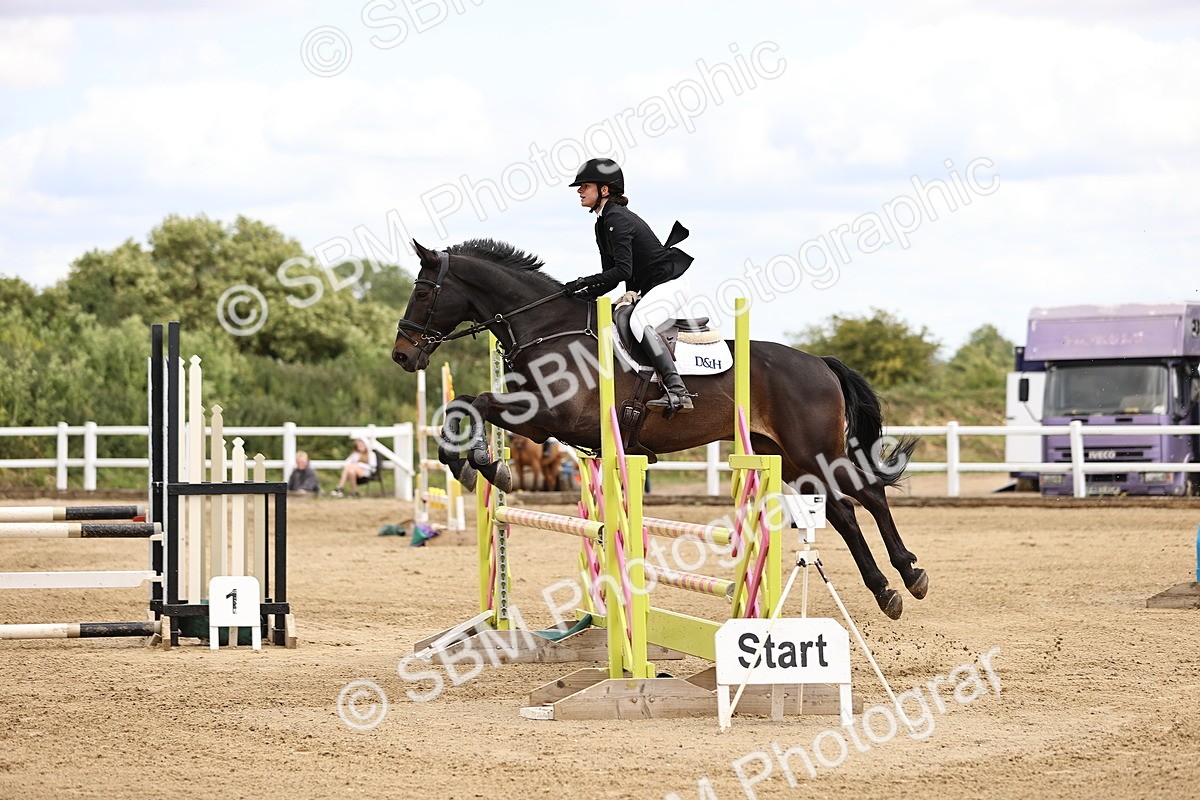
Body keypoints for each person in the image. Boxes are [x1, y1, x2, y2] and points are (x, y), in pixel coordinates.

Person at [562, 158, 695, 415]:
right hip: (652, 285)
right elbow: (609, 277)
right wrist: (579, 297)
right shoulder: (602, 223)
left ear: (604, 190)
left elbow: (623, 271)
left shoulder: (617, 219)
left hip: (671, 282)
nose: (579, 191)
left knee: (638, 322)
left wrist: (580, 283)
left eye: (585, 185)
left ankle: (678, 390)